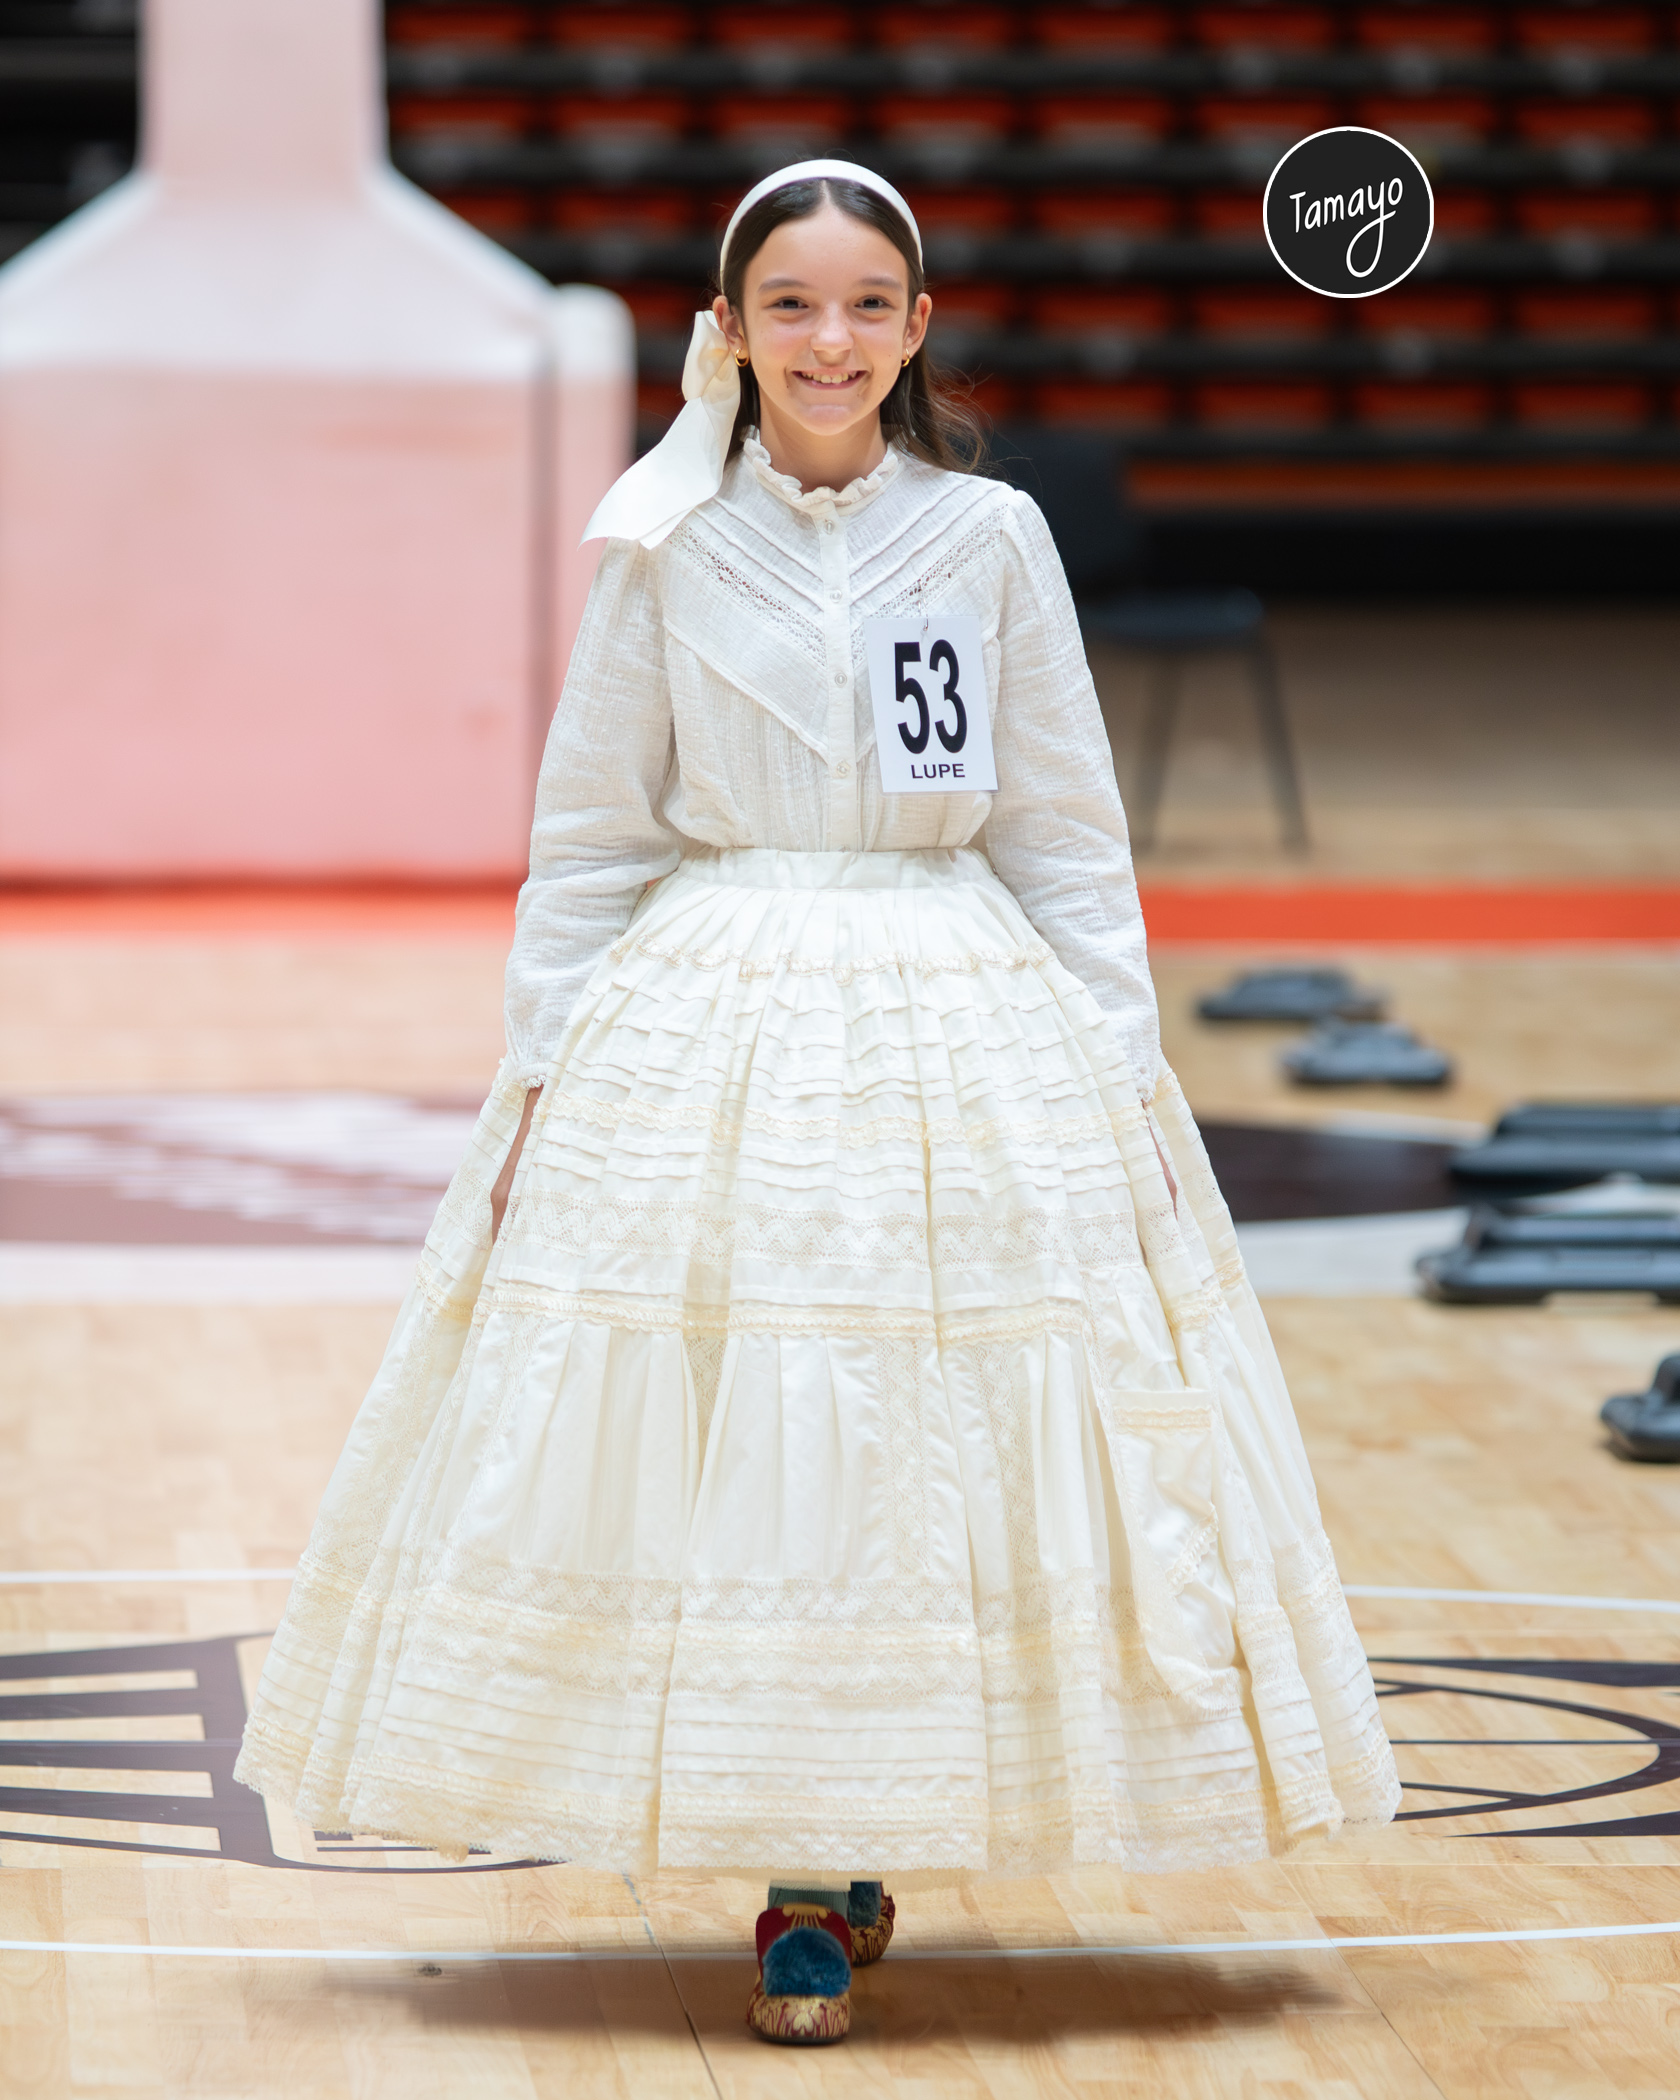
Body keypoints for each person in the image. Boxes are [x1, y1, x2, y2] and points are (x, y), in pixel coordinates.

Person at [236, 159, 1398, 2048]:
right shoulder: (664, 545)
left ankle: (858, 1829)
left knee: (923, 1446)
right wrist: (542, 1076)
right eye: (790, 305)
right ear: (731, 328)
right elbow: (591, 837)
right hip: (719, 1023)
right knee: (757, 1437)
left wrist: (1121, 1073)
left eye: (867, 306)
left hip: (963, 1026)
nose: (830, 341)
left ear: (918, 328)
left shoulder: (994, 539)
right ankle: (796, 1870)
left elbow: (1065, 828)